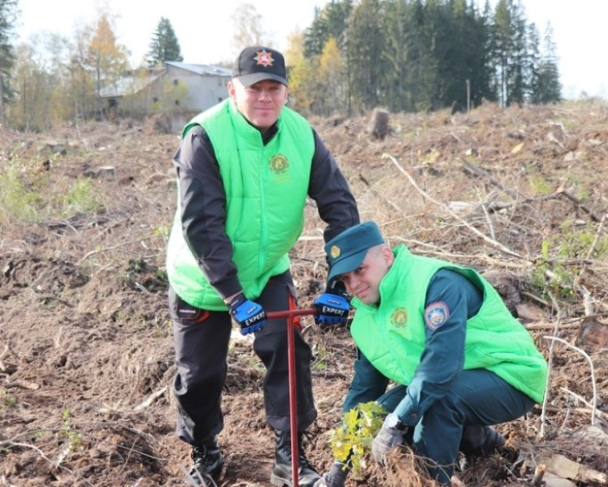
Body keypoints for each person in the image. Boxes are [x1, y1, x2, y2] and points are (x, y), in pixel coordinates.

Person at [165, 45, 359, 487]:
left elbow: (340, 208)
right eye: (255, 88)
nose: (265, 97)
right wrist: (233, 297)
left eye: (275, 88)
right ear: (234, 90)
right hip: (203, 276)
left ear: (287, 93)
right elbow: (203, 226)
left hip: (267, 267)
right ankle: (205, 452)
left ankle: (290, 455)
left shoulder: (302, 136)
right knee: (199, 375)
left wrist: (338, 282)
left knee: (288, 353)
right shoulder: (204, 137)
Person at [315, 221, 548, 486]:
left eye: (360, 269)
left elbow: (441, 364)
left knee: (429, 405)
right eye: (345, 278)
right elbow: (364, 392)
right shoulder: (366, 319)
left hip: (510, 374)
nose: (354, 283)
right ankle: (480, 442)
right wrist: (340, 463)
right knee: (377, 413)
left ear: (386, 256)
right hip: (459, 379)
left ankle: (432, 481)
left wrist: (397, 422)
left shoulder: (436, 282)